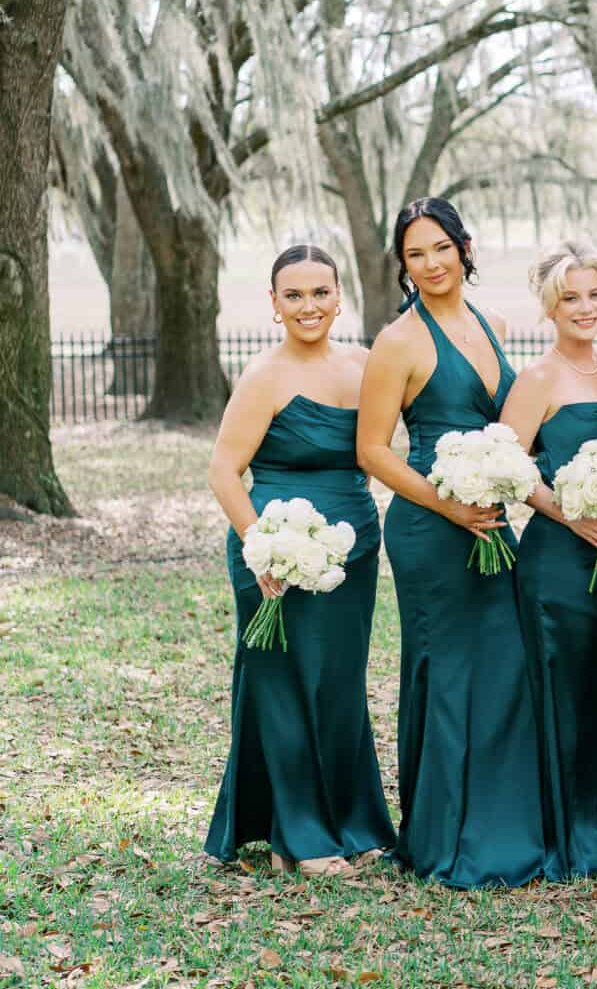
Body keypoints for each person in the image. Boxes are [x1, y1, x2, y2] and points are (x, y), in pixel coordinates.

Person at [356, 197, 546, 888]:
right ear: (403, 265)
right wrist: (448, 503)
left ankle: (501, 829)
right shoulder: (398, 341)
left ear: (465, 245)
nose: (431, 262)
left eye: (441, 246)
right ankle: (441, 838)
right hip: (428, 528)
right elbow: (373, 450)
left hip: (489, 521)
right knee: (446, 673)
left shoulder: (490, 324)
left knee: (504, 670)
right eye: (416, 253)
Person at [205, 245, 394, 876]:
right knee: (282, 681)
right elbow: (224, 471)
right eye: (294, 295)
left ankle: (356, 819)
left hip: (353, 550)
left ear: (340, 297)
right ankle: (300, 832)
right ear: (274, 303)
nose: (308, 306)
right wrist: (260, 547)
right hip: (273, 553)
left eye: (320, 293)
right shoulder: (265, 375)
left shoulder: (367, 367)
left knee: (338, 682)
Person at [501, 245, 597, 880]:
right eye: (571, 298)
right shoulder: (538, 378)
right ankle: (566, 837)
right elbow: (510, 467)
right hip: (558, 561)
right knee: (564, 694)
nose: (585, 308)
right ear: (550, 308)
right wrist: (567, 512)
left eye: (594, 295)